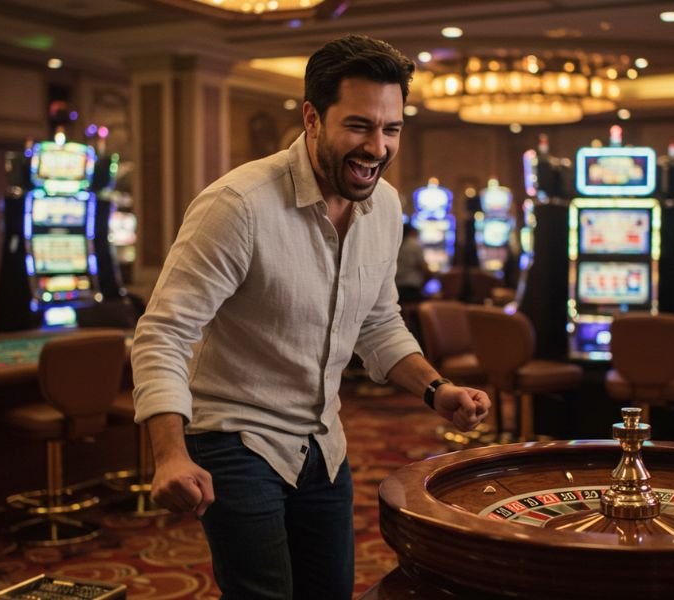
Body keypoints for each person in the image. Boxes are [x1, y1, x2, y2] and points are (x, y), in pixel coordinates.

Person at [131, 34, 491, 600]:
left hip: (324, 440)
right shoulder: (239, 206)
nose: (376, 147)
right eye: (358, 126)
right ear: (312, 118)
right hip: (234, 434)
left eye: (390, 129)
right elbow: (163, 333)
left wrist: (436, 389)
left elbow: (378, 322)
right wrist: (170, 453)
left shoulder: (387, 206)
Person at [395, 222, 432, 303]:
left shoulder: (395, 244)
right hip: (411, 288)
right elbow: (423, 268)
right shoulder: (415, 245)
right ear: (412, 232)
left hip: (395, 287)